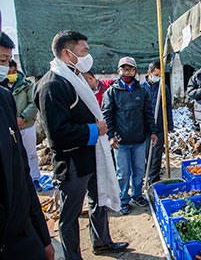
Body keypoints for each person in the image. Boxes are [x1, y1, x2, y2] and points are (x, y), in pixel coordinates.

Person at [34, 30, 128, 259]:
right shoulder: (53, 85)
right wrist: (95, 130)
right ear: (67, 54)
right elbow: (57, 134)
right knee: (70, 214)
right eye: (84, 51)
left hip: (92, 153)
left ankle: (102, 242)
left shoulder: (74, 77)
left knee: (99, 200)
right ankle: (72, 256)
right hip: (72, 161)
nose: (89, 56)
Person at [0, 31, 54, 260]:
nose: (5, 67)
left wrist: (42, 237)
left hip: (20, 233)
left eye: (6, 61)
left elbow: (20, 173)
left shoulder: (4, 98)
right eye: (2, 61)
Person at [102, 56, 158, 214]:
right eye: (124, 69)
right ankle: (123, 199)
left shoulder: (142, 90)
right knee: (123, 173)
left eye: (130, 69)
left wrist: (153, 132)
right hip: (121, 142)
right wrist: (111, 136)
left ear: (135, 71)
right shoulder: (112, 92)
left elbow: (148, 113)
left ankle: (137, 195)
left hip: (139, 140)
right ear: (119, 71)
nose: (127, 72)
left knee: (139, 171)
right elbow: (107, 116)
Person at [2, 59, 42, 191]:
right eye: (9, 72)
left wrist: (23, 117)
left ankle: (35, 180)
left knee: (31, 154)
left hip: (26, 125)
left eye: (13, 71)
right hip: (8, 128)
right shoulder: (2, 87)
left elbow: (33, 103)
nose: (11, 74)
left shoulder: (26, 85)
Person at [141, 61, 173, 184]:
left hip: (159, 125)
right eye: (156, 74)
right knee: (146, 152)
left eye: (160, 75)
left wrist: (169, 124)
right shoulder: (141, 87)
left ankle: (153, 179)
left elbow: (168, 107)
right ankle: (146, 174)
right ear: (149, 73)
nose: (158, 77)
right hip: (144, 126)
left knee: (156, 154)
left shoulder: (163, 87)